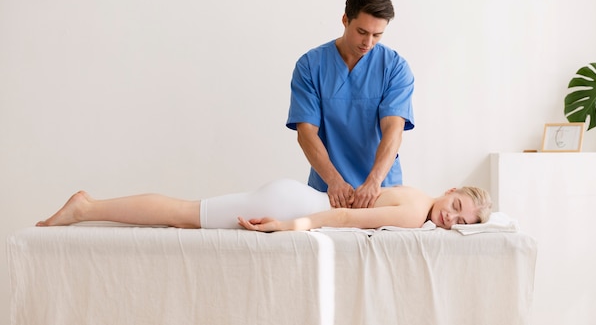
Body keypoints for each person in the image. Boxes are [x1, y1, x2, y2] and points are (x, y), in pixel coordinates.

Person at [287, 0, 415, 210]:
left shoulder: (394, 68)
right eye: (362, 32)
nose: (368, 42)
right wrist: (334, 181)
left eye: (377, 35)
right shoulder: (310, 66)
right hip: (328, 188)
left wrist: (374, 182)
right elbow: (306, 134)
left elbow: (393, 130)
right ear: (345, 20)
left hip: (381, 188)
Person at [36, 179, 492, 232]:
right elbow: (344, 217)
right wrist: (289, 227)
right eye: (456, 206)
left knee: (185, 214)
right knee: (182, 214)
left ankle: (89, 207)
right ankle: (86, 207)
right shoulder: (415, 214)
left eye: (461, 221)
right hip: (292, 203)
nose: (451, 218)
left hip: (295, 196)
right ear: (451, 190)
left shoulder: (420, 194)